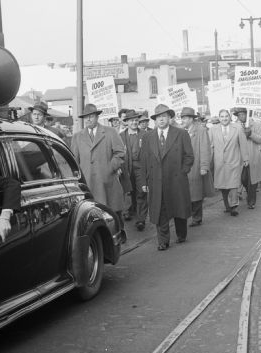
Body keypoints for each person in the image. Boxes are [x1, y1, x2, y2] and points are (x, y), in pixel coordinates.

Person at [136, 104, 194, 250]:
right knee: (160, 210)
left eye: (163, 116)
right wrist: (143, 181)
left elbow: (189, 156)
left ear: (169, 118)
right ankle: (163, 241)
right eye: (158, 117)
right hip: (156, 182)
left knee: (178, 209)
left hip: (176, 180)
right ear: (154, 121)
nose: (161, 120)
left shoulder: (181, 134)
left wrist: (183, 171)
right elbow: (143, 161)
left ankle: (181, 234)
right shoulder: (148, 137)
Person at [71, 104, 127, 238]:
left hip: (107, 180)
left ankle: (119, 232)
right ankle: (104, 238)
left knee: (113, 211)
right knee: (95, 214)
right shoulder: (77, 137)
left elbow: (120, 153)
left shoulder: (110, 132)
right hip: (88, 182)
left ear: (97, 117)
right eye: (86, 117)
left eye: (91, 116)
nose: (88, 120)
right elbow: (74, 161)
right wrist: (78, 179)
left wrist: (110, 168)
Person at [210, 109, 249, 216]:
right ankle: (227, 205)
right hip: (220, 162)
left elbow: (243, 143)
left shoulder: (237, 128)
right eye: (222, 116)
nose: (224, 118)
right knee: (222, 186)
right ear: (219, 118)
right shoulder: (213, 130)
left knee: (233, 185)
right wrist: (208, 161)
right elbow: (210, 146)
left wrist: (245, 158)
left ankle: (234, 206)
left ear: (230, 117)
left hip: (234, 160)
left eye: (226, 116)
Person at [181, 107, 215, 227]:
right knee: (186, 193)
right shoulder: (181, 131)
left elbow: (205, 149)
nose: (182, 120)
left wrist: (204, 166)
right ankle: (190, 215)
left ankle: (197, 217)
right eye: (182, 118)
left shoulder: (200, 130)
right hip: (184, 168)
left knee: (196, 193)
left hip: (196, 166)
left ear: (191, 119)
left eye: (184, 118)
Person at [119, 110, 149, 231]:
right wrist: (119, 168)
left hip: (141, 168)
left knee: (142, 192)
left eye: (136, 120)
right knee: (128, 192)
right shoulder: (121, 136)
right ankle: (130, 211)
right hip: (126, 168)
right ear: (126, 122)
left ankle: (141, 220)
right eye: (131, 120)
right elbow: (117, 153)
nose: (134, 123)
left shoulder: (145, 135)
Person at [234, 108, 261, 209]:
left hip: (253, 156)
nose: (241, 116)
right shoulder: (235, 126)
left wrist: (251, 134)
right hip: (241, 157)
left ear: (247, 114)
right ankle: (249, 192)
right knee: (243, 179)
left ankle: (251, 201)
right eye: (239, 115)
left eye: (243, 114)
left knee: (253, 180)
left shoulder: (256, 124)